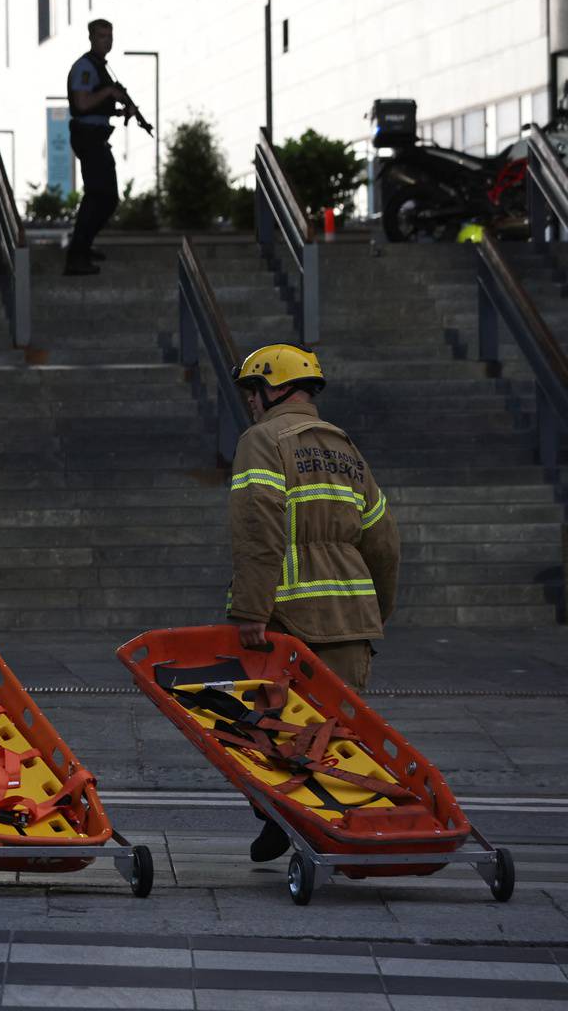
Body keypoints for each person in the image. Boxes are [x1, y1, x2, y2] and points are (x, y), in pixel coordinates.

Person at [228, 342, 400, 860]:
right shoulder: (345, 449)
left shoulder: (262, 441)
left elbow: (259, 527)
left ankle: (281, 819)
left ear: (273, 388)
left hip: (286, 619)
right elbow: (384, 540)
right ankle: (339, 828)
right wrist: (376, 609)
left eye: (253, 391)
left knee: (261, 731)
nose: (251, 402)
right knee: (339, 737)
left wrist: (252, 610)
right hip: (351, 618)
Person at [64, 18, 140, 276]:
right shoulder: (86, 67)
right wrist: (109, 93)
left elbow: (98, 105)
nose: (106, 41)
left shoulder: (100, 68)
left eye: (109, 36)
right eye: (101, 36)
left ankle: (83, 247)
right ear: (91, 38)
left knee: (106, 198)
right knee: (99, 196)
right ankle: (77, 254)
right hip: (88, 137)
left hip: (96, 136)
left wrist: (121, 109)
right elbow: (83, 104)